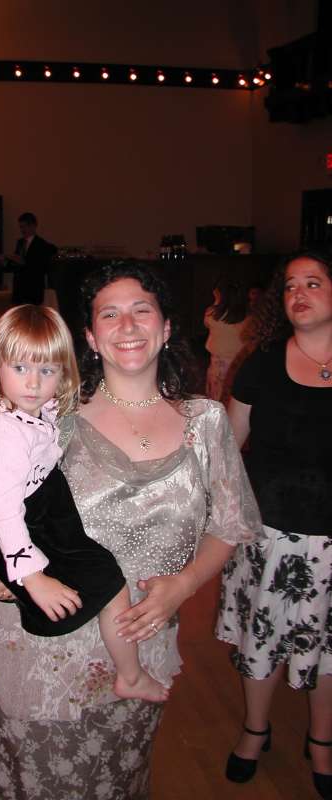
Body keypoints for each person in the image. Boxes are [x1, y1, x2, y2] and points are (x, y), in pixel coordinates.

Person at [0, 261, 261, 799]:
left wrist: (185, 584)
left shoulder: (206, 422)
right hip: (39, 642)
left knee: (115, 779)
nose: (128, 324)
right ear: (91, 338)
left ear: (167, 327)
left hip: (137, 645)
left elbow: (230, 524)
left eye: (142, 310)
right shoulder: (50, 416)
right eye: (110, 314)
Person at [0, 304, 168, 703]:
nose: (34, 383)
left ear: (62, 373)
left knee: (97, 571)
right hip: (9, 516)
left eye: (47, 370)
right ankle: (130, 675)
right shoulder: (3, 433)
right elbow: (2, 513)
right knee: (106, 578)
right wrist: (32, 576)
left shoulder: (22, 406)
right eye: (21, 368)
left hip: (35, 498)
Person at [216, 250, 332, 799]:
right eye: (289, 286)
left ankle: (322, 740)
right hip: (269, 533)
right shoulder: (262, 361)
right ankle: (255, 730)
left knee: (330, 647)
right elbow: (228, 447)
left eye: (313, 283)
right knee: (259, 638)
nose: (298, 294)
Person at [203, 278, 251, 401]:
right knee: (232, 395)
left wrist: (217, 302)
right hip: (239, 361)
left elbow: (206, 324)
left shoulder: (212, 314)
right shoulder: (248, 315)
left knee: (217, 394)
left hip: (219, 362)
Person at [0, 212, 57, 305]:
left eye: (24, 227)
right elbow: (16, 266)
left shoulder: (42, 245)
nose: (22, 230)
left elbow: (40, 267)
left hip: (33, 291)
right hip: (19, 291)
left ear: (33, 226)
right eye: (20, 227)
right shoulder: (20, 243)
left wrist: (21, 261)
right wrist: (5, 263)